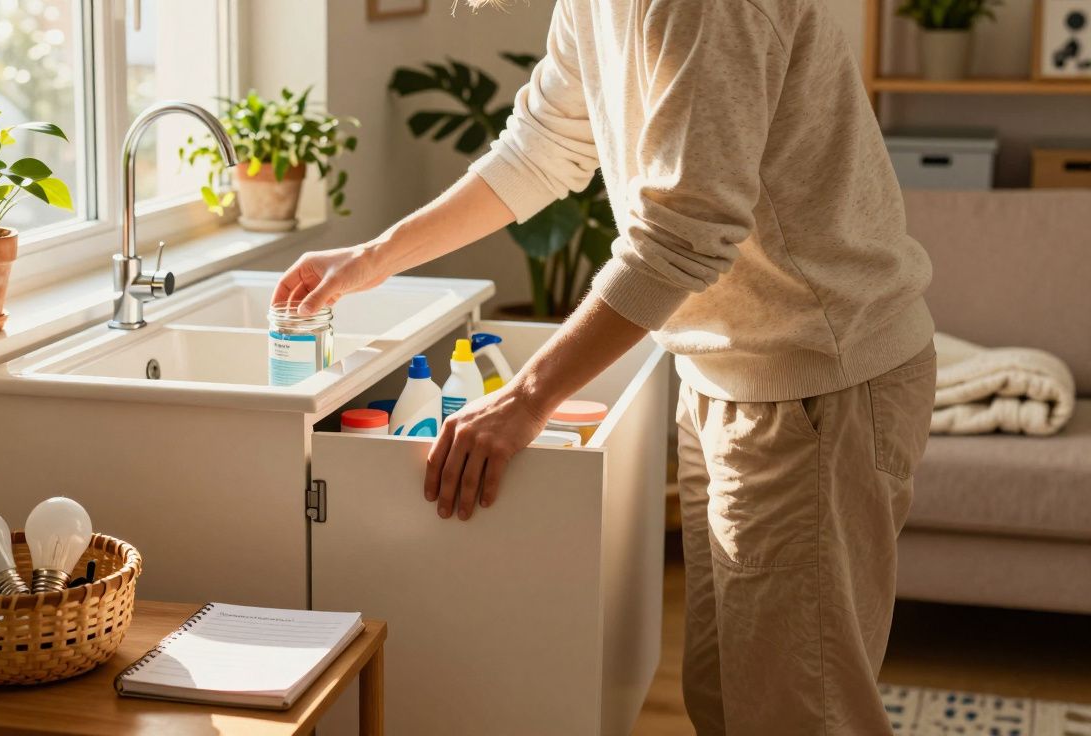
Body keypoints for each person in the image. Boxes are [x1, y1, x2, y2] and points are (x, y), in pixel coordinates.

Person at [274, 0, 936, 732]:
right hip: (735, 372)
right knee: (726, 701)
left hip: (815, 384)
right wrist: (375, 260)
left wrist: (528, 397)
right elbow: (540, 149)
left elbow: (683, 234)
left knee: (799, 716)